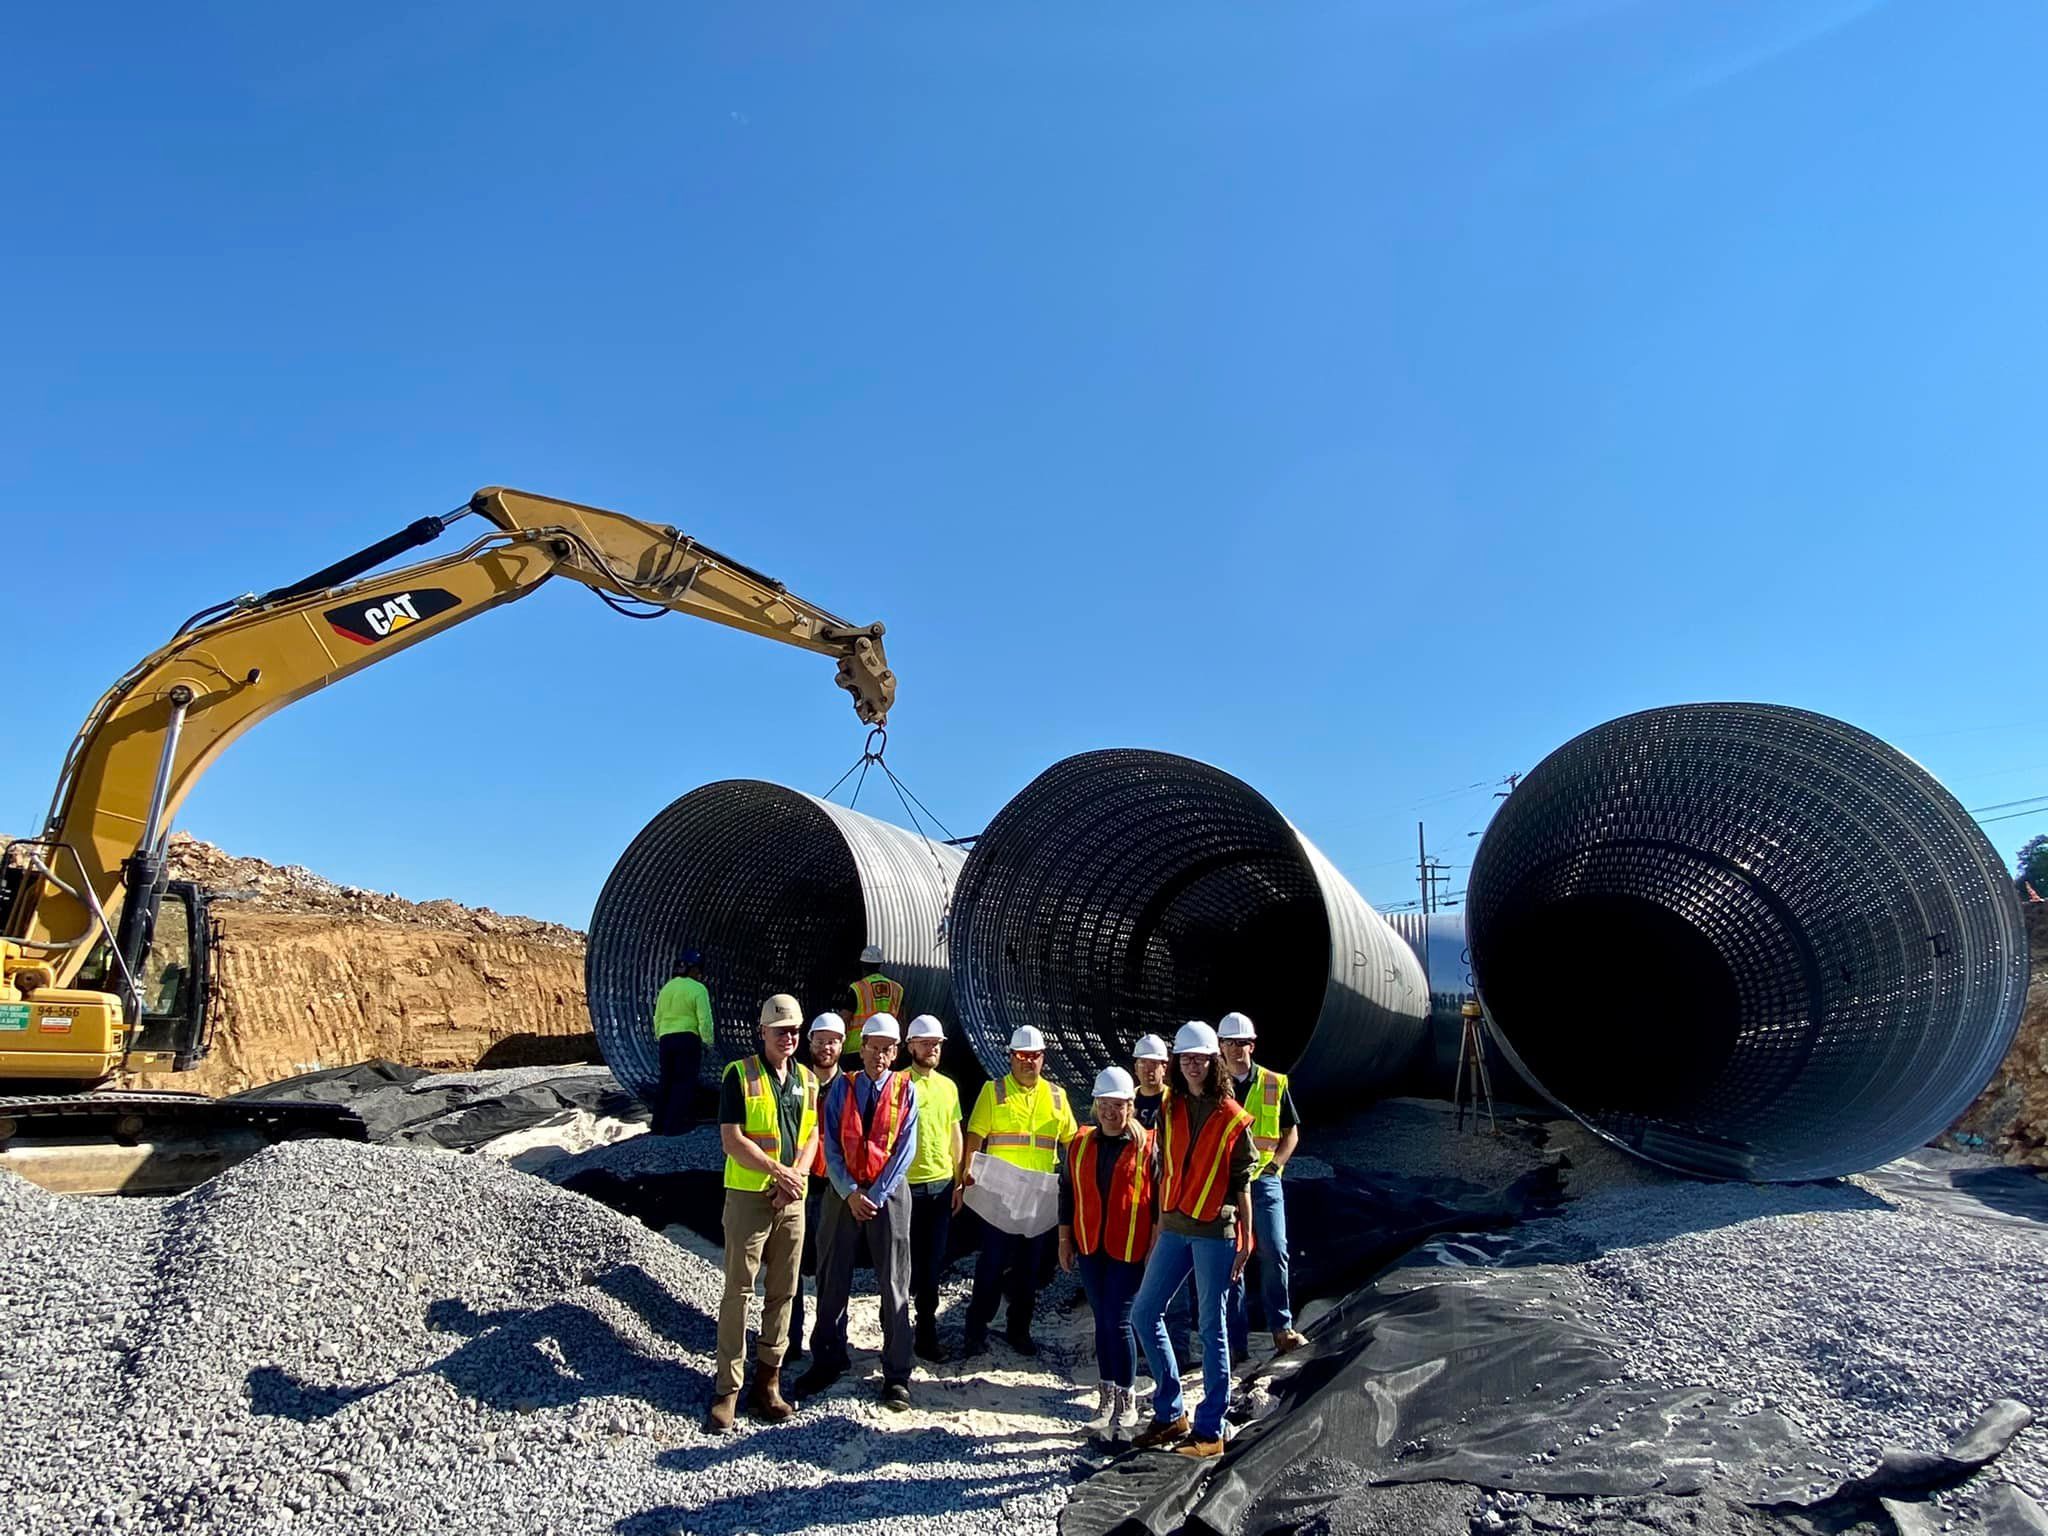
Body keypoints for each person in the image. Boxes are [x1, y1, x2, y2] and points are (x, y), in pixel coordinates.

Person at [1128, 1021, 1256, 1459]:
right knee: (1144, 1312)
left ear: (1213, 1061)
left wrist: (1247, 1236)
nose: (1192, 1065)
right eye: (1185, 1059)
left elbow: (1242, 1182)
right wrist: (1159, 1223)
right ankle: (1170, 1413)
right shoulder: (1170, 1107)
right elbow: (1162, 1165)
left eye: (1199, 1058)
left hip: (1214, 1232)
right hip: (1176, 1225)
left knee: (1210, 1328)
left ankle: (1209, 1430)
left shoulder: (1232, 1117)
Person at [792, 1012, 921, 1410]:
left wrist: (876, 1195)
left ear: (896, 1052)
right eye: (873, 1047)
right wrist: (848, 1190)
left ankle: (896, 1373)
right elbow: (829, 1142)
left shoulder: (905, 1090)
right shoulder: (842, 1089)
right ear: (860, 1047)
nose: (879, 1056)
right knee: (832, 1276)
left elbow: (905, 1148)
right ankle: (828, 1357)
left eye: (887, 1050)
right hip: (842, 1193)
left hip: (889, 1194)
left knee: (895, 1283)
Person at [708, 993, 818, 1432]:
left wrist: (795, 1180)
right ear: (763, 1033)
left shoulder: (808, 1080)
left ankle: (768, 1381)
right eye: (781, 1030)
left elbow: (813, 1136)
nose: (789, 1037)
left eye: (794, 1029)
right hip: (749, 1196)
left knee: (784, 1290)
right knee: (738, 1291)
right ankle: (727, 1388)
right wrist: (777, 1172)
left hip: (791, 1199)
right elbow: (732, 1139)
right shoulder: (740, 1075)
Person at [956, 1024, 1078, 1357]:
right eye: (1021, 1056)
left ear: (1043, 1058)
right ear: (1011, 1057)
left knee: (1030, 1271)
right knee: (991, 1266)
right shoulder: (993, 1092)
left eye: (1034, 1056)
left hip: (1038, 1199)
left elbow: (1071, 1142)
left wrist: (1077, 1182)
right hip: (1000, 1194)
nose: (1028, 1062)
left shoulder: (1056, 1096)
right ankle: (975, 1331)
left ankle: (1019, 1330)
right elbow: (975, 1135)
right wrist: (966, 1170)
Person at [1059, 1067, 1156, 1439]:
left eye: (1118, 1105)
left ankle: (1126, 1399)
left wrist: (1154, 1246)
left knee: (1118, 1320)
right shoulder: (1081, 1143)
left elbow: (1159, 1200)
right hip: (1090, 1245)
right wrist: (1064, 1239)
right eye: (1105, 1105)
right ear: (1095, 1105)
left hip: (1129, 1247)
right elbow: (1066, 1192)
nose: (1111, 1112)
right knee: (1101, 1320)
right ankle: (1106, 1396)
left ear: (1131, 1106)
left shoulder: (1149, 1146)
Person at [1217, 1011, 1309, 1356]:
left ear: (1252, 1046)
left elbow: (1291, 1133)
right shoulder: (1213, 1086)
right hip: (1225, 1185)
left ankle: (1281, 1327)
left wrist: (1275, 1167)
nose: (1237, 1049)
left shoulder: (1273, 1083)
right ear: (1221, 1046)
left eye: (1242, 1043)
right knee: (1231, 1258)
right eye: (1230, 1043)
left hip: (1262, 1182)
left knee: (1274, 1249)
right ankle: (1234, 1342)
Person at [786, 1011, 846, 1365]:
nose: (826, 1047)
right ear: (809, 1043)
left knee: (832, 1270)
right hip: (799, 1185)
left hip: (833, 1188)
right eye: (820, 1040)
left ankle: (831, 1343)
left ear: (842, 1044)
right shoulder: (796, 1083)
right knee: (790, 1266)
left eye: (833, 1041)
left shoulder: (851, 1086)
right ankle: (789, 1340)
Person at [904, 1013, 963, 1361]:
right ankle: (894, 1333)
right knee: (900, 1266)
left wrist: (959, 1182)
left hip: (940, 1188)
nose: (932, 1049)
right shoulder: (898, 1084)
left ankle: (926, 1334)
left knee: (931, 1266)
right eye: (926, 1043)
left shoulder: (948, 1087)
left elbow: (955, 1134)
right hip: (905, 1189)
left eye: (937, 1044)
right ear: (910, 1045)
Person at [650, 951, 714, 1134]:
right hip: (687, 1039)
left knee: (666, 1082)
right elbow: (705, 1019)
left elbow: (658, 1016)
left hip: (666, 1040)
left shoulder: (667, 989)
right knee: (684, 1082)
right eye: (699, 970)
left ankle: (657, 1125)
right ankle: (675, 1126)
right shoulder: (698, 989)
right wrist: (708, 1041)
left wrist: (659, 1036)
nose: (700, 974)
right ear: (693, 970)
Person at [846, 944, 901, 1053]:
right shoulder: (896, 988)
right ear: (880, 964)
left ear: (861, 964)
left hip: (857, 1048)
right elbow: (902, 1019)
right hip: (886, 1048)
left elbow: (844, 1018)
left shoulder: (858, 988)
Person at [1130, 1034, 1171, 1131]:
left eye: (1153, 1063)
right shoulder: (1127, 1100)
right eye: (1142, 1063)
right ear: (1136, 1068)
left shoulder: (1174, 1100)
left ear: (1164, 1068)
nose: (1147, 1070)